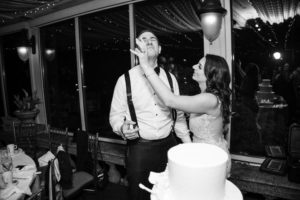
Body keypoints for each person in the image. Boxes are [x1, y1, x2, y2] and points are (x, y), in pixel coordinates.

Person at [109, 30, 191, 200]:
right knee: (139, 194)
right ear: (137, 48)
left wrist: (188, 144)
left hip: (169, 145)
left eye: (153, 39)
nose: (148, 41)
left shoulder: (171, 79)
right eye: (143, 39)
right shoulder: (124, 80)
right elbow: (115, 116)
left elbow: (179, 116)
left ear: (159, 49)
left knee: (170, 193)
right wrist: (122, 128)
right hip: (140, 148)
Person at [131, 40, 231, 175]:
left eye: (200, 66)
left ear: (210, 74)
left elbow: (170, 100)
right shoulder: (207, 96)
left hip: (210, 157)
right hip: (201, 152)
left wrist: (146, 66)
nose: (194, 66)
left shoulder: (210, 99)